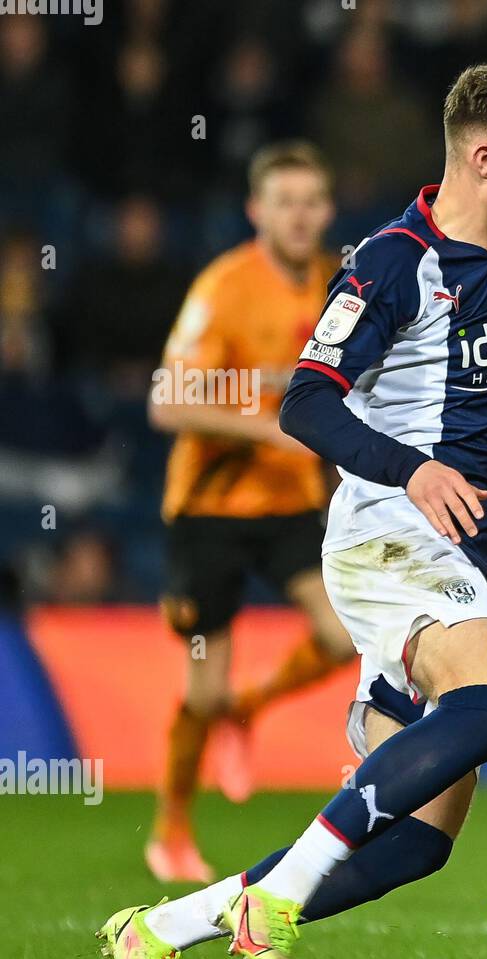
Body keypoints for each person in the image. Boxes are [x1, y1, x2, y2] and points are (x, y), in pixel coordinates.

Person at [98, 62, 487, 959]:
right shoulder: (395, 263)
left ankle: (159, 928)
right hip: (387, 536)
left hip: (457, 552)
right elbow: (308, 402)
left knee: (421, 840)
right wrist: (413, 467)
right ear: (485, 157)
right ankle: (273, 897)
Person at [148, 141, 355, 882]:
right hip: (211, 507)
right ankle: (170, 825)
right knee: (201, 684)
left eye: (311, 202)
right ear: (256, 210)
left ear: (327, 210)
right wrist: (266, 422)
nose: (299, 216)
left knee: (342, 636)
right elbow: (167, 401)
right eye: (284, 202)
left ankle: (251, 707)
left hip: (291, 504)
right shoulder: (225, 286)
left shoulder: (340, 284)